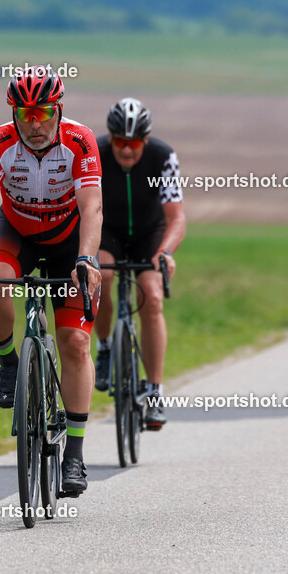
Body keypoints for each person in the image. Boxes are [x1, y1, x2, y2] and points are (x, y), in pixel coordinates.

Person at [0, 65, 102, 496]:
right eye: (25, 114)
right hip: (16, 230)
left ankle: (74, 455)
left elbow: (92, 206)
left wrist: (87, 258)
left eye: (42, 113)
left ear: (58, 109)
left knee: (75, 342)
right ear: (14, 113)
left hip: (68, 236)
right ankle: (8, 362)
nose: (34, 124)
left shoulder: (80, 140)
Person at [93, 98, 186, 430]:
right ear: (110, 137)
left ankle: (155, 389)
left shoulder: (163, 157)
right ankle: (104, 346)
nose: (126, 150)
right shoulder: (95, 153)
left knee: (152, 294)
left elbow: (177, 217)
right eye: (119, 141)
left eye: (133, 143)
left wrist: (166, 252)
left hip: (150, 232)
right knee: (102, 275)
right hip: (108, 231)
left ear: (145, 140)